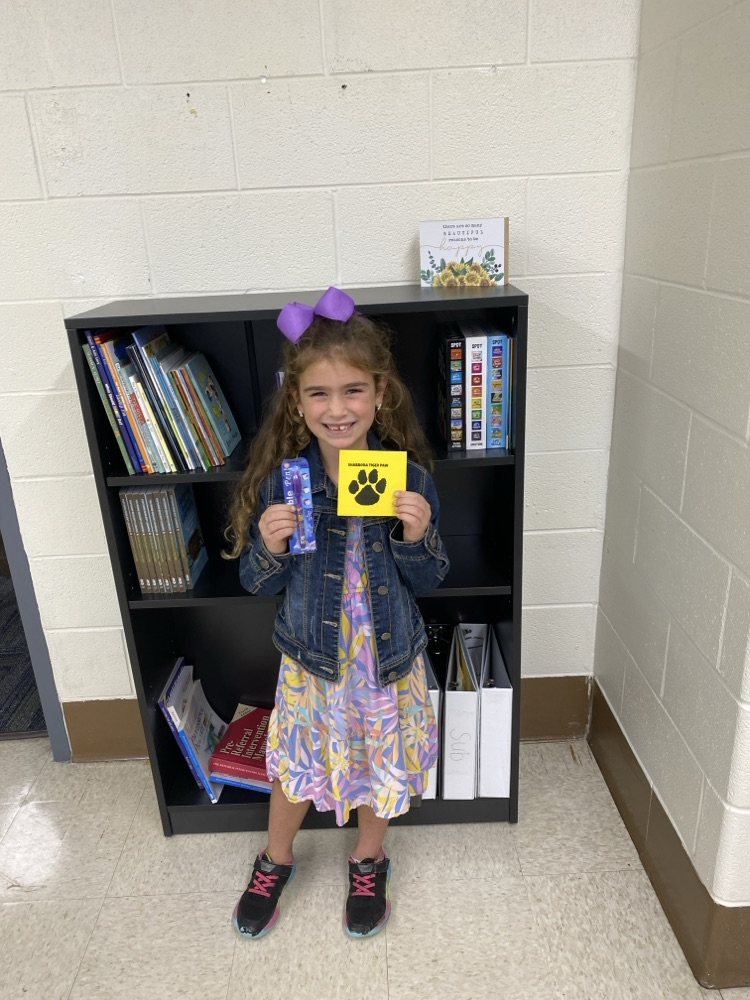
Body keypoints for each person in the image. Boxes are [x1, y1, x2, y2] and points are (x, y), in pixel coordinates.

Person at [224, 286, 450, 940]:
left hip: (386, 659)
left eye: (353, 390)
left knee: (379, 766)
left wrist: (416, 533)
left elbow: (430, 577)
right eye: (319, 394)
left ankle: (368, 857)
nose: (338, 408)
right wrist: (266, 545)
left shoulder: (405, 474)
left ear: (381, 393)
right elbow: (254, 581)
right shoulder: (287, 479)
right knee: (296, 769)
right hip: (312, 663)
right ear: (297, 401)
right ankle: (277, 857)